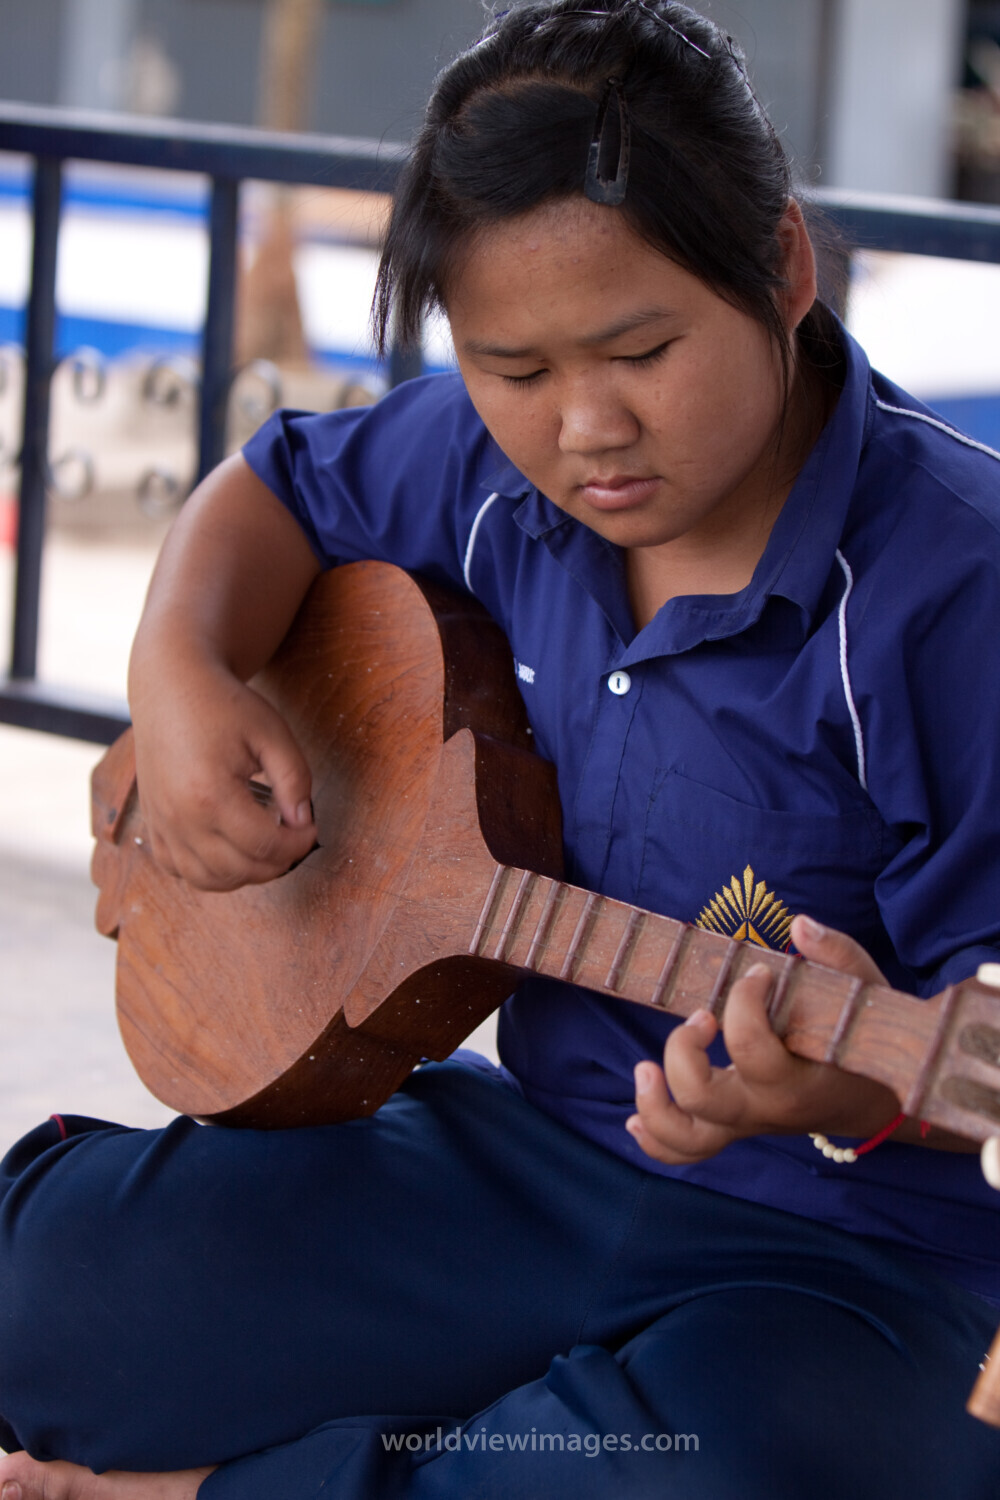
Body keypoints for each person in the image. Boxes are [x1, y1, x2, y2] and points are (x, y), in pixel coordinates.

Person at [2, 2, 1000, 1496]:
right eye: (512, 368)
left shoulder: (958, 588)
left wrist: (851, 1097)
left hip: (855, 1259)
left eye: (641, 350)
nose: (586, 426)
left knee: (720, 1468)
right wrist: (182, 672)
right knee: (46, 1289)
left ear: (784, 268)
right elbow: (275, 488)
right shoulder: (485, 471)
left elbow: (966, 1041)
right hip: (529, 1164)